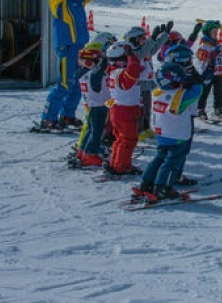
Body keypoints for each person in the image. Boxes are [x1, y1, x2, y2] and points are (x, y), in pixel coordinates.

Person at [39, 0, 118, 130]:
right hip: (66, 47)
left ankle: (68, 115)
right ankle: (48, 117)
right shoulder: (56, 0)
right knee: (64, 83)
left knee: (76, 84)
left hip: (79, 48)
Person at [132, 49, 204, 203]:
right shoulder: (179, 97)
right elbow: (198, 90)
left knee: (159, 158)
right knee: (172, 162)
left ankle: (146, 183)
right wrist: (193, 76)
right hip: (177, 135)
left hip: (162, 133)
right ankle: (163, 187)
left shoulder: (157, 92)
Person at [104, 40, 143, 176]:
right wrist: (131, 56)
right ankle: (120, 167)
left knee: (120, 139)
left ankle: (116, 163)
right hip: (125, 111)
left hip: (120, 110)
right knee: (128, 139)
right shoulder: (121, 73)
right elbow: (133, 72)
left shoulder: (114, 72)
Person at [71, 42, 110, 168]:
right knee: (97, 131)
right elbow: (98, 76)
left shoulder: (82, 72)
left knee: (90, 129)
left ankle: (83, 151)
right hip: (98, 105)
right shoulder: (92, 74)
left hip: (93, 104)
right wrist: (104, 59)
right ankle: (90, 153)